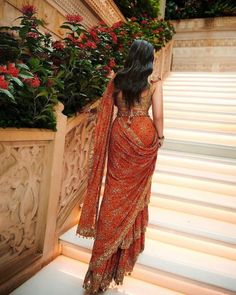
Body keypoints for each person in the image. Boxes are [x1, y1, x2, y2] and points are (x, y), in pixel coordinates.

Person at [76, 39, 164, 294]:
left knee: (113, 193)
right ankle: (115, 260)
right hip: (144, 135)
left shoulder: (117, 80)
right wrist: (160, 137)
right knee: (133, 197)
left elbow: (106, 111)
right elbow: (157, 116)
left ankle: (100, 264)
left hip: (119, 137)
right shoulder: (154, 83)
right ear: (148, 58)